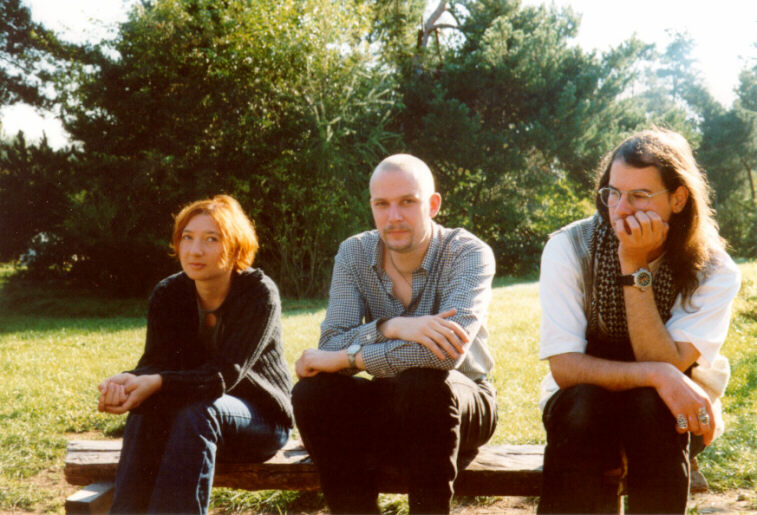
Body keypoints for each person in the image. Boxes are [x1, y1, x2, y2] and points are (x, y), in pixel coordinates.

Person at [537, 128, 741, 514]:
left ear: (678, 198)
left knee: (650, 407)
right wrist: (658, 374)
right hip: (582, 406)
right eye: (613, 193)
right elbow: (564, 368)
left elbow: (668, 362)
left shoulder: (714, 269)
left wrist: (633, 265)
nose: (620, 210)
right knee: (583, 406)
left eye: (639, 196)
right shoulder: (569, 247)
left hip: (672, 412)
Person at [291, 154, 498, 514]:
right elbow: (332, 340)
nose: (394, 217)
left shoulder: (467, 253)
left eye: (407, 202)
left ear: (432, 205)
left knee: (423, 384)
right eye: (382, 204)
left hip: (460, 403)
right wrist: (391, 326)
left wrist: (352, 357)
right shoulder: (354, 253)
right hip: (391, 401)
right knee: (314, 393)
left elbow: (444, 354)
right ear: (371, 206)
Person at [97, 195, 292, 514]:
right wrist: (127, 382)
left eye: (211, 239)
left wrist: (158, 383)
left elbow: (221, 377)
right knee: (149, 409)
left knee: (199, 410)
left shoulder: (258, 293)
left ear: (236, 247)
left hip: (259, 422)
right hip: (191, 426)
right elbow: (155, 363)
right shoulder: (169, 292)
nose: (194, 250)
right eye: (187, 237)